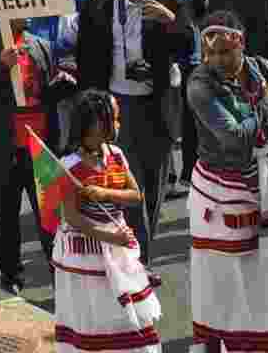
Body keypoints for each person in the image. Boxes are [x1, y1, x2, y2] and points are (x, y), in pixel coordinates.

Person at [187, 11, 268, 353]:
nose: (216, 61)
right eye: (209, 53)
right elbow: (236, 138)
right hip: (221, 191)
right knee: (228, 278)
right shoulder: (199, 84)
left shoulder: (263, 69)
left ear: (241, 44)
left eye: (225, 52)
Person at [77, 0, 189, 266]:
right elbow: (85, 55)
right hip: (117, 107)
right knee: (131, 186)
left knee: (153, 188)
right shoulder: (99, 4)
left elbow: (188, 46)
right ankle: (138, 260)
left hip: (157, 108)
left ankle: (142, 254)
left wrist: (171, 20)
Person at [0, 17, 76, 295]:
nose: (28, 13)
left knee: (50, 216)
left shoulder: (41, 45)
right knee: (7, 215)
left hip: (41, 145)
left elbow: (44, 95)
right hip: (4, 147)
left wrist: (62, 85)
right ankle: (11, 275)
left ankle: (61, 275)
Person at [53, 89, 160, 353]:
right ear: (94, 124)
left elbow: (135, 195)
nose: (118, 124)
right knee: (96, 316)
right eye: (114, 118)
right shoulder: (69, 165)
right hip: (87, 255)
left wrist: (105, 193)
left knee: (129, 318)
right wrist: (112, 237)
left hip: (119, 249)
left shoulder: (116, 155)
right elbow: (73, 218)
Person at [149, 0, 210, 198]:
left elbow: (198, 10)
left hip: (191, 53)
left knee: (190, 118)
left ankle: (187, 174)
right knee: (167, 117)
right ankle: (169, 173)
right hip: (167, 56)